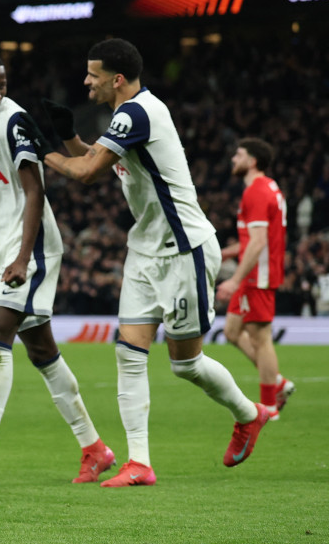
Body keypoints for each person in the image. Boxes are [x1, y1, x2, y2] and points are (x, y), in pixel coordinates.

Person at [36, 38, 274, 487]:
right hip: (145, 250)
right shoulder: (125, 117)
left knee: (185, 364)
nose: (86, 81)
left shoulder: (138, 112)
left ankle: (249, 414)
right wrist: (67, 136)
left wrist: (38, 150)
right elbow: (93, 159)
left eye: (93, 75)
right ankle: (139, 463)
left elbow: (86, 173)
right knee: (128, 353)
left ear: (117, 79)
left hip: (182, 250)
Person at [0, 51, 112, 487]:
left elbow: (34, 190)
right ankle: (94, 449)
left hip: (32, 250)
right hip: (4, 248)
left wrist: (23, 257)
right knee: (42, 353)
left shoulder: (15, 121)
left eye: (2, 84)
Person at [215, 138, 294, 414]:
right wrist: (223, 253)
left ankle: (270, 405)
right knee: (232, 332)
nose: (233, 160)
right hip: (255, 272)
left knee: (260, 339)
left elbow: (258, 242)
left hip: (257, 276)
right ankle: (279, 383)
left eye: (239, 155)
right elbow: (253, 240)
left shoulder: (256, 192)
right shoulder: (266, 188)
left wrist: (235, 279)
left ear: (253, 161)